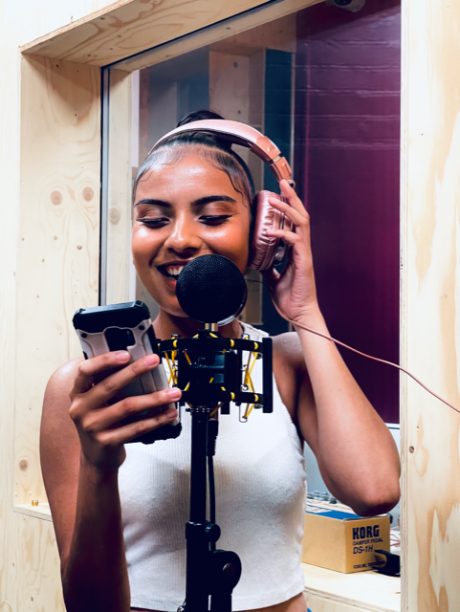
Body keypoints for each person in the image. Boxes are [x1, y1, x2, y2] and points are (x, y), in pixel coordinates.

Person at [40, 110, 400, 612]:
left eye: (212, 216)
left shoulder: (289, 361)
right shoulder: (85, 388)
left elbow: (375, 489)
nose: (180, 238)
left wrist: (306, 312)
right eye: (153, 218)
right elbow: (87, 605)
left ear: (261, 236)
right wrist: (100, 468)